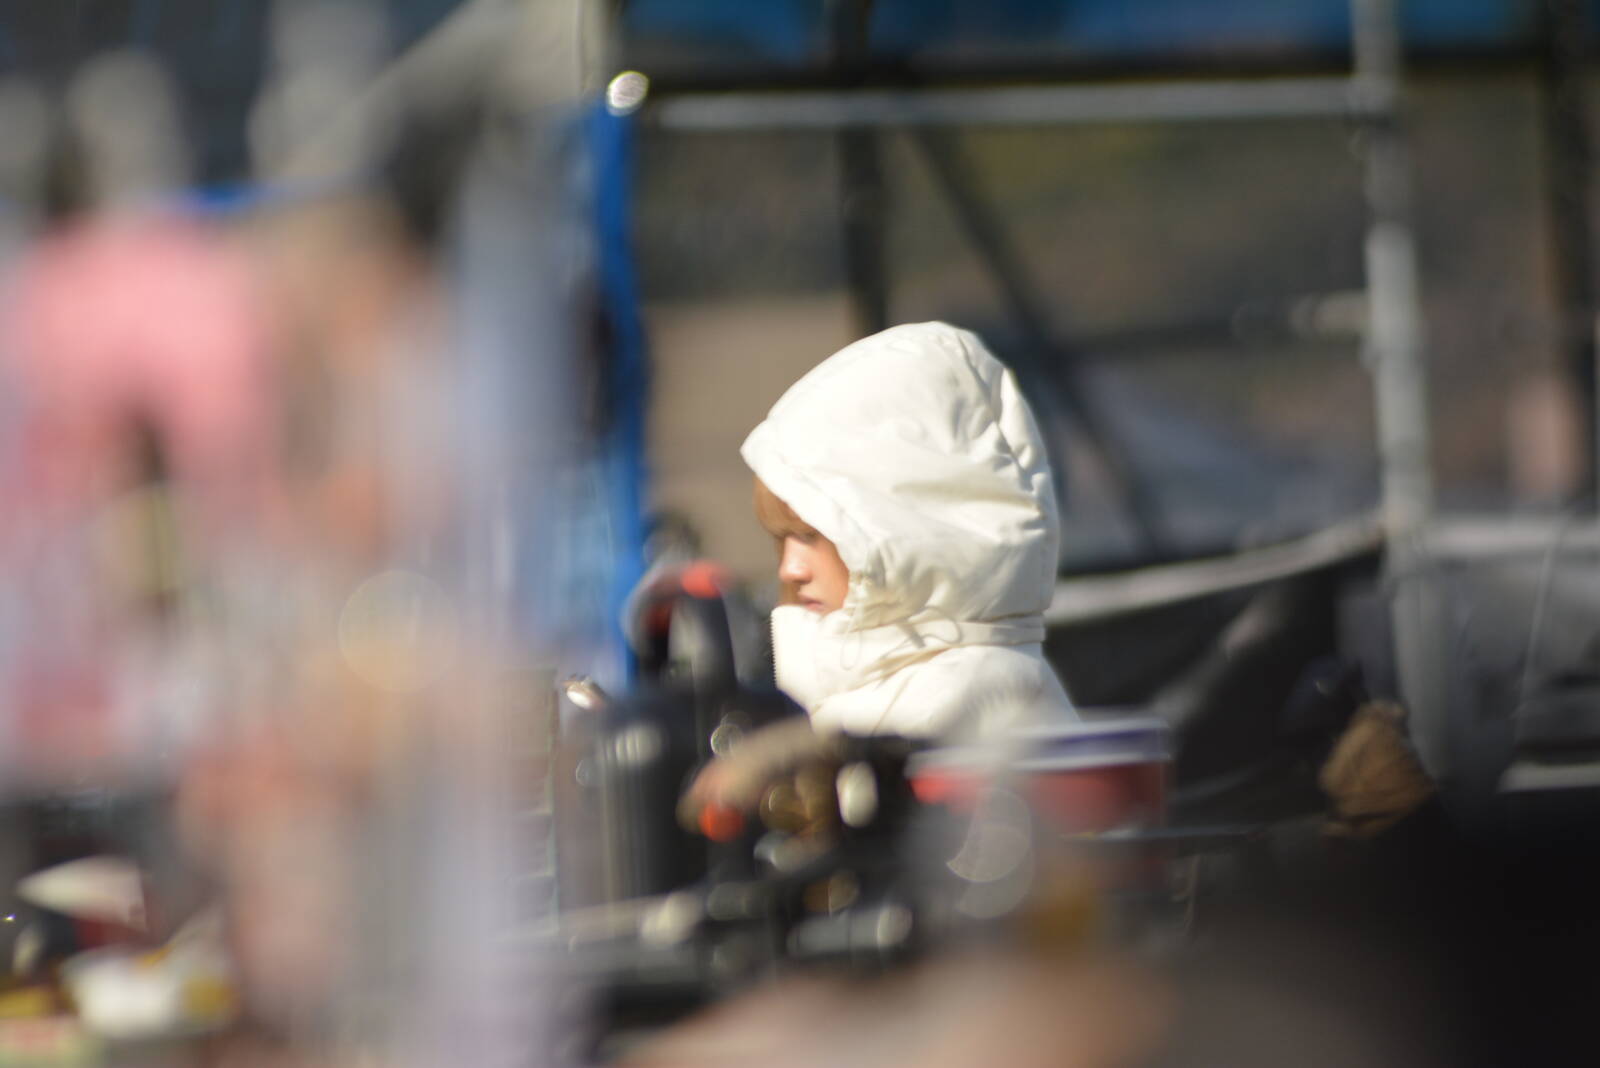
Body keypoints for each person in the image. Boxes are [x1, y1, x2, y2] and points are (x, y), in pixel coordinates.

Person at [742, 320, 1075, 740]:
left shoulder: (964, 701)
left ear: (903, 524)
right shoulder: (884, 684)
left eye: (811, 534)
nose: (790, 569)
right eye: (780, 539)